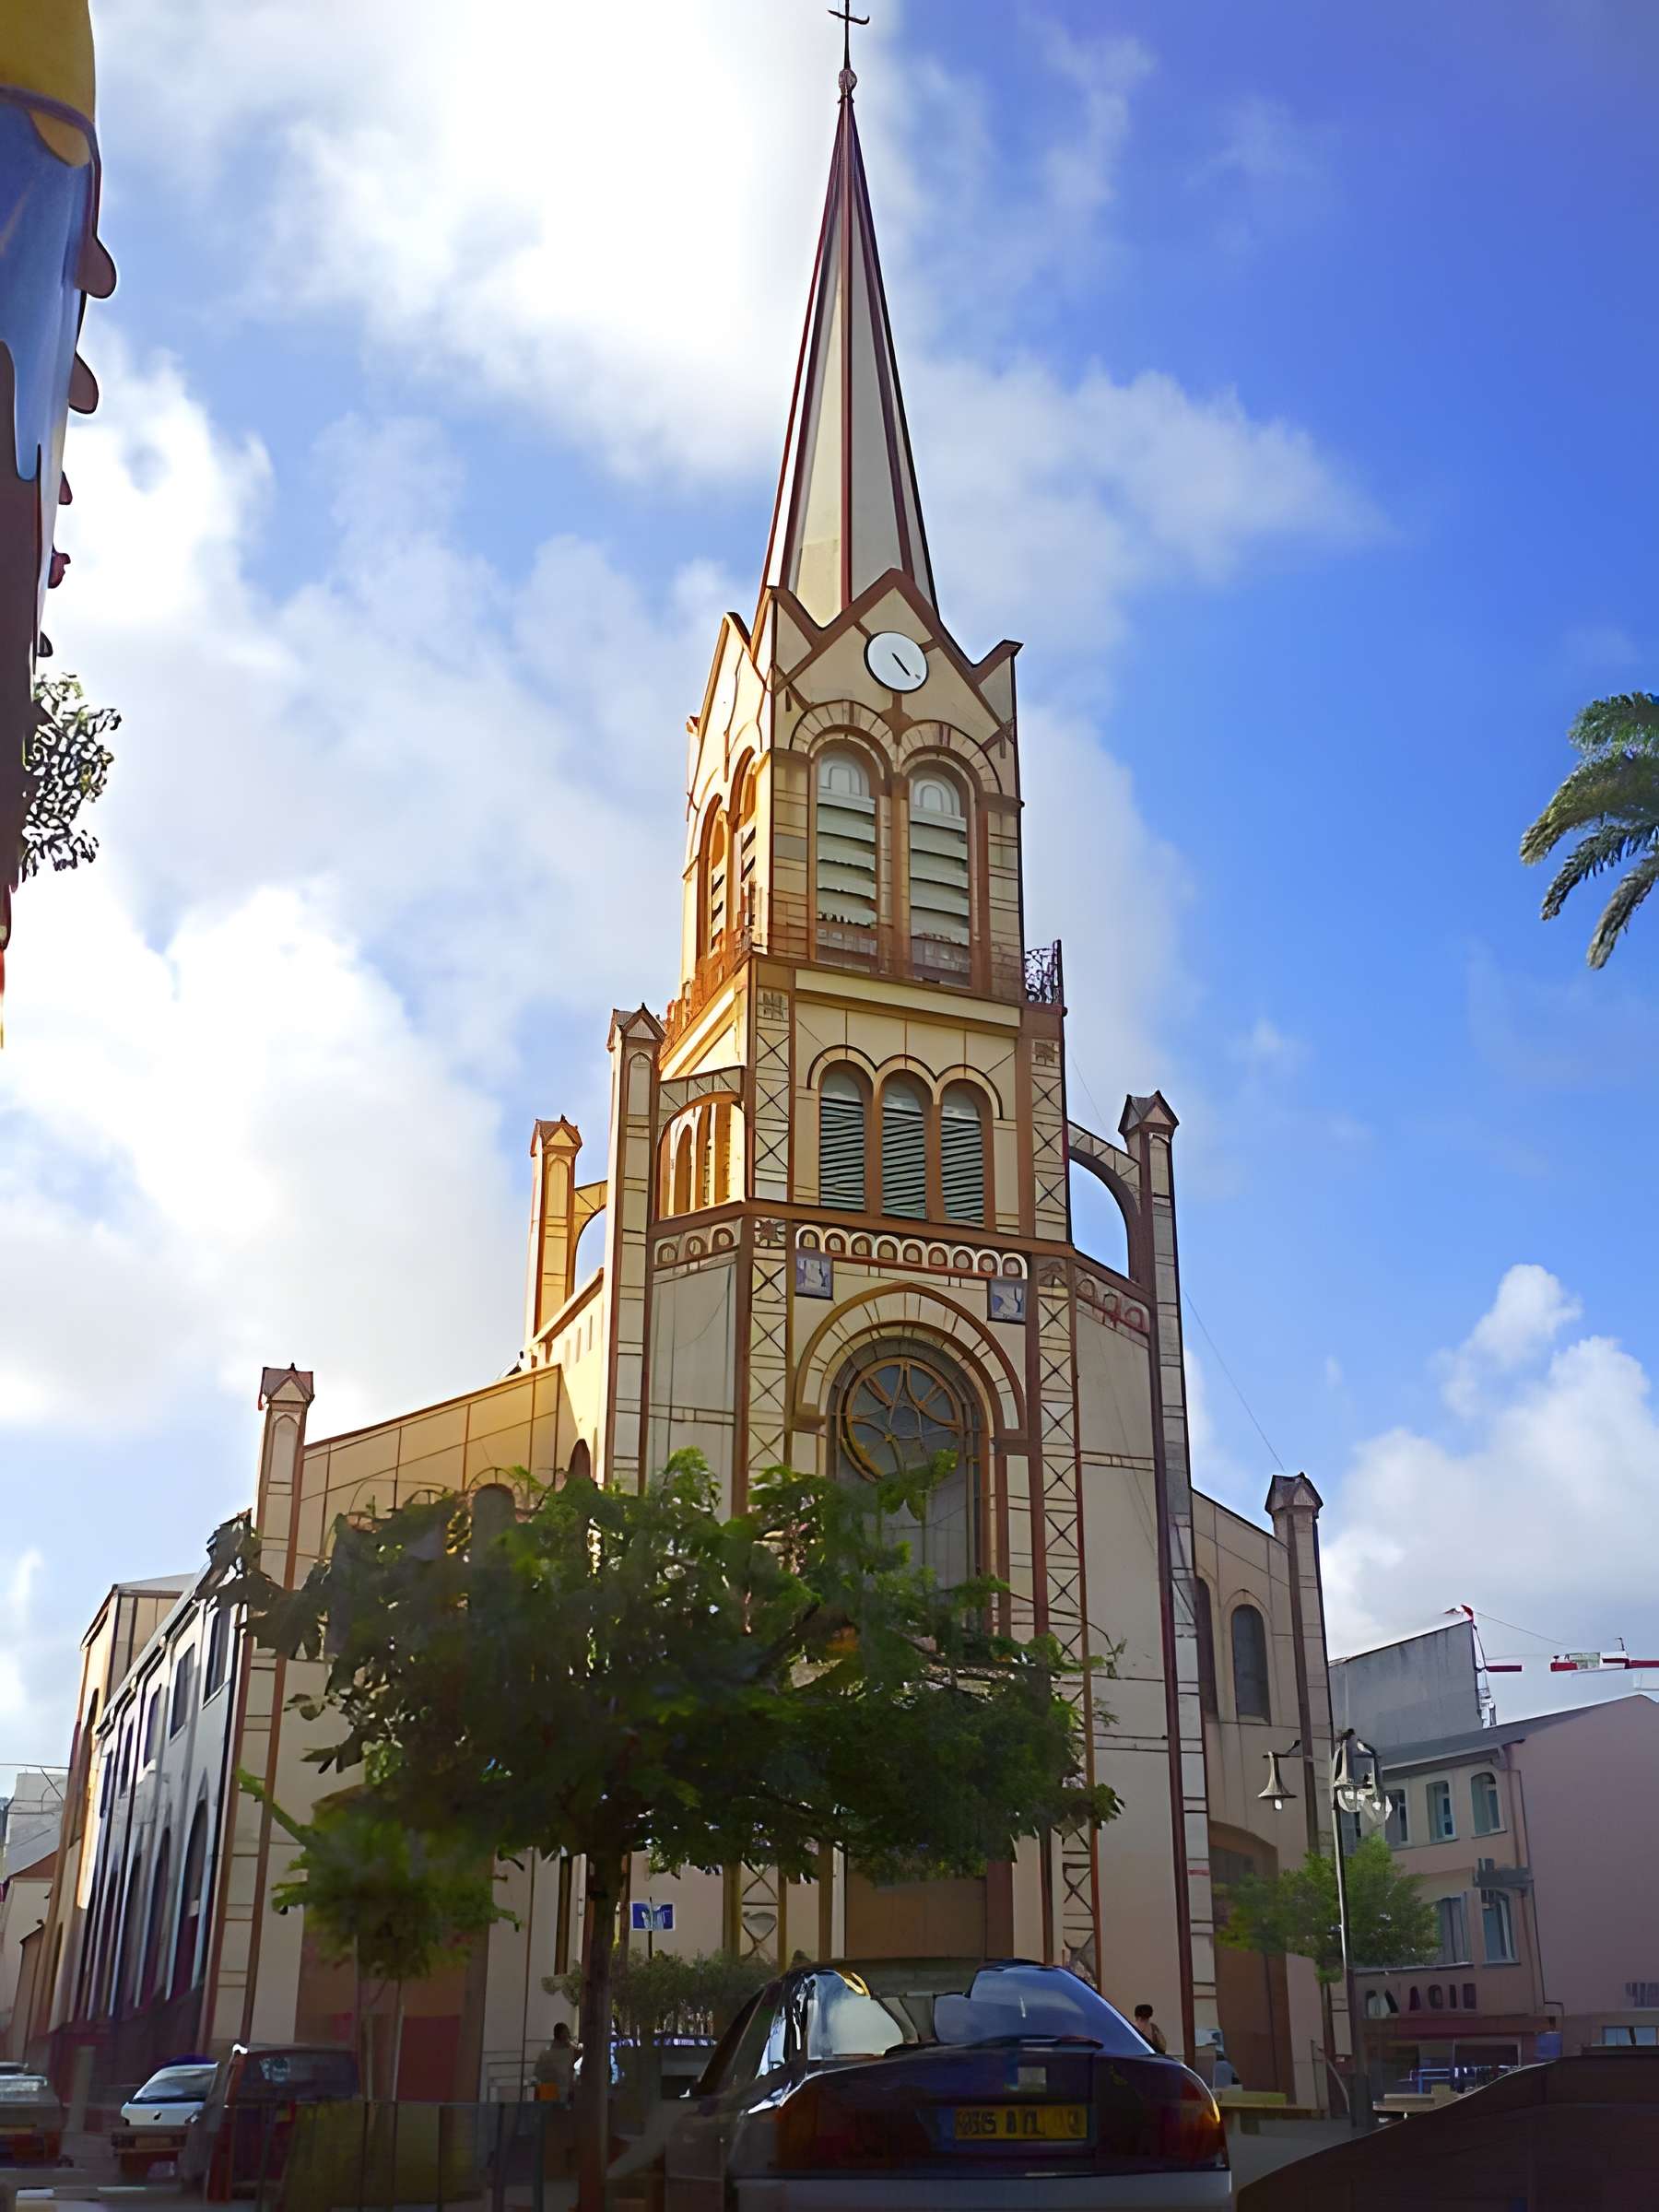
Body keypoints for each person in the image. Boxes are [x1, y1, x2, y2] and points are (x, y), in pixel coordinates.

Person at [537, 2022, 579, 2105]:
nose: (568, 2036)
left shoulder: (546, 2052)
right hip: (555, 2090)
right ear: (562, 2035)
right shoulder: (566, 2052)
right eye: (567, 2033)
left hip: (552, 2090)